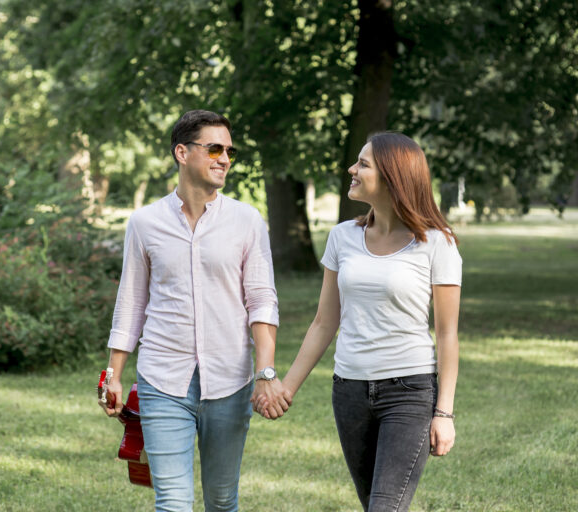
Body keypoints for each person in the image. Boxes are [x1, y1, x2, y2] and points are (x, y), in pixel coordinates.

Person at [99, 109, 289, 512]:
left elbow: (261, 302)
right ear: (182, 153)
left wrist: (265, 372)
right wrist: (113, 374)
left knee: (221, 500)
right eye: (215, 149)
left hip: (230, 381)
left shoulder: (246, 221)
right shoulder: (145, 223)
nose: (225, 159)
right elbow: (131, 303)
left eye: (230, 151)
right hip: (163, 379)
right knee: (172, 502)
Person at [261, 132, 462, 511]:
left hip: (409, 391)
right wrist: (287, 388)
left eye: (363, 164)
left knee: (385, 506)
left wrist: (444, 412)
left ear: (392, 177)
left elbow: (448, 334)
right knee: (374, 503)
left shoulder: (437, 242)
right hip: (349, 391)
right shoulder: (343, 237)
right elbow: (324, 322)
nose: (351, 169)